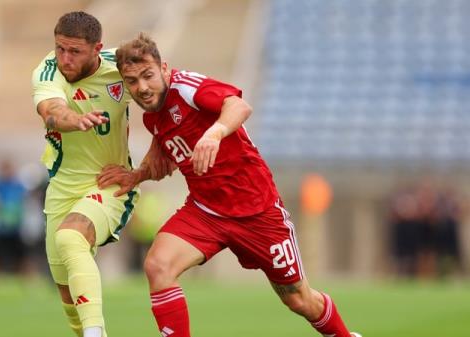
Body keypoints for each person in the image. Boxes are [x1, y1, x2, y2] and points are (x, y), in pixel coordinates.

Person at [97, 33, 361, 337]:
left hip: (258, 212)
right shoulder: (153, 119)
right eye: (132, 81)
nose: (142, 87)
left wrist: (215, 132)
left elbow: (238, 106)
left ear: (164, 68)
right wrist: (136, 175)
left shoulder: (186, 88)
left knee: (299, 299)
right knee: (158, 266)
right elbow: (165, 162)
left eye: (148, 76)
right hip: (205, 211)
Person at [31, 12, 142, 337]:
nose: (65, 58)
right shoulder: (48, 70)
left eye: (74, 51)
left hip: (110, 184)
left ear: (97, 48)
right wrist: (70, 119)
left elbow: (161, 90)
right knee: (68, 297)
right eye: (60, 48)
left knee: (71, 238)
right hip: (62, 190)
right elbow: (52, 111)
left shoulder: (121, 68)